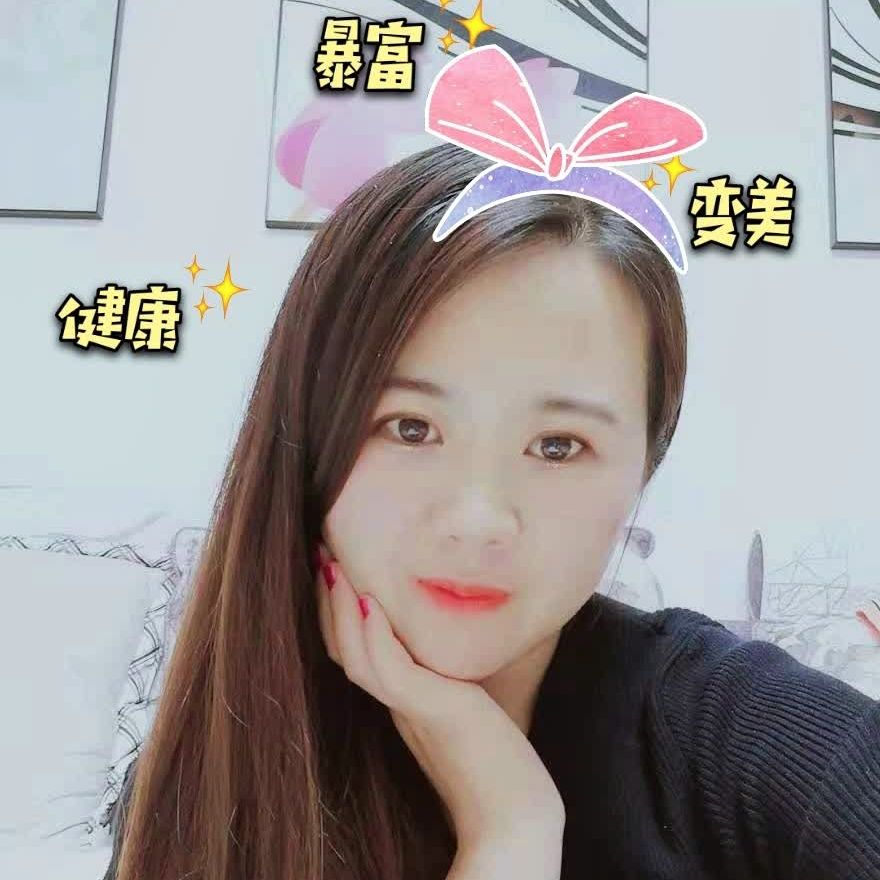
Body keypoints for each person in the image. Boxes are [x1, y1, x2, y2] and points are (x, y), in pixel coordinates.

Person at [101, 141, 880, 880]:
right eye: (411, 428)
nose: (478, 520)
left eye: (558, 446)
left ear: (645, 463)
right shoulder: (214, 785)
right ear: (307, 437)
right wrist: (510, 830)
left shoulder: (734, 731)